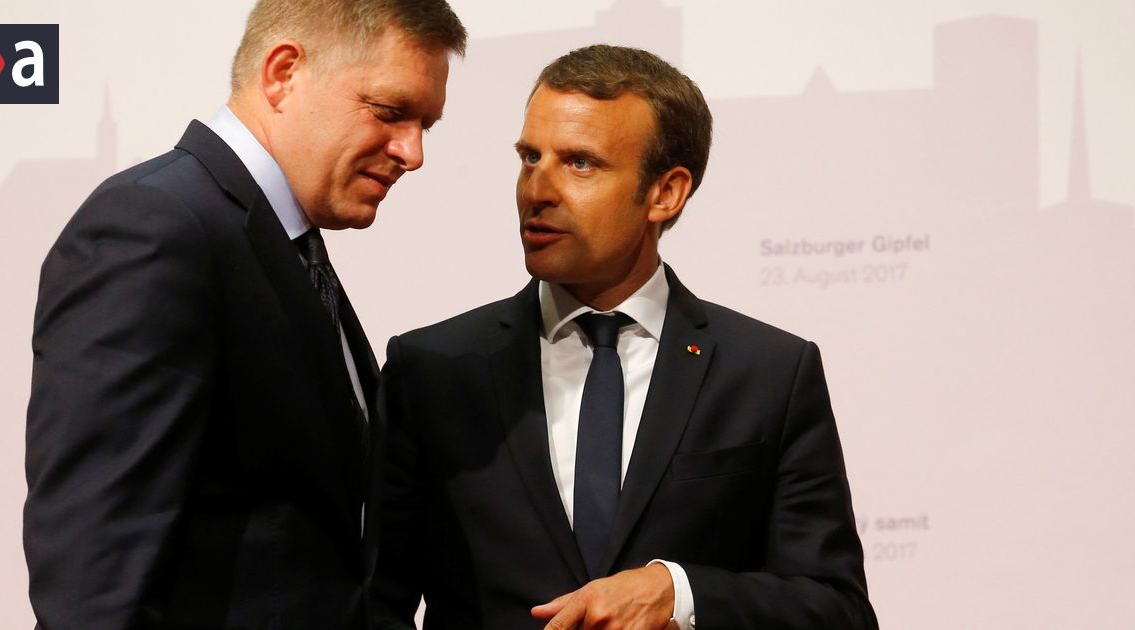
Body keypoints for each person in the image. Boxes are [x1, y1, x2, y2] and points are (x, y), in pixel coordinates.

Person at [371, 45, 877, 629]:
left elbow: (837, 610)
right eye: (530, 157)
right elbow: (373, 605)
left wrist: (681, 594)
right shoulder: (431, 370)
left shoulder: (769, 374)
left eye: (580, 163)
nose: (537, 190)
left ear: (665, 193)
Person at [23, 2, 465, 628]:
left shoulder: (282, 244)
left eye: (426, 125)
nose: (412, 152)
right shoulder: (154, 228)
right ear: (283, 74)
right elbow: (95, 576)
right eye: (390, 111)